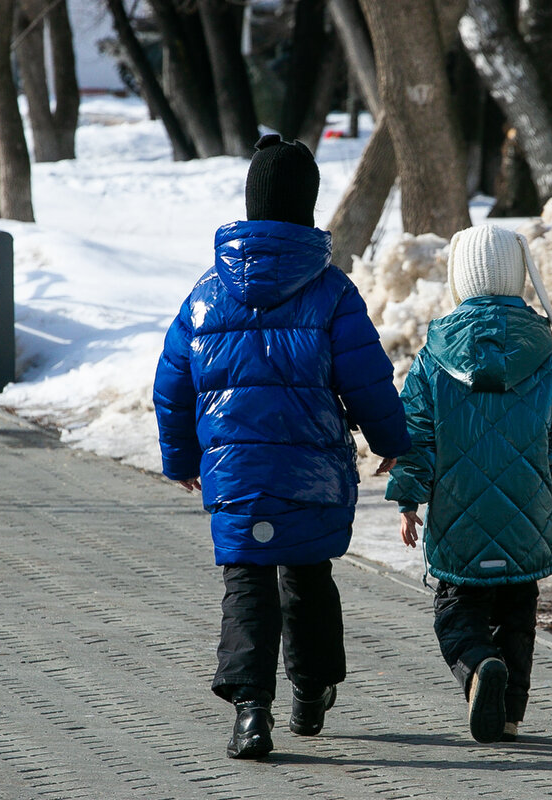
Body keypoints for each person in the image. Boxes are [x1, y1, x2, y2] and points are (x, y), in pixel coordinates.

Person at [152, 133, 411, 760]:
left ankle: (250, 713)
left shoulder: (207, 293)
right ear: (307, 207)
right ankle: (311, 691)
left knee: (246, 582)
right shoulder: (332, 292)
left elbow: (171, 381)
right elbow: (366, 377)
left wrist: (182, 457)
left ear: (250, 204)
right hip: (311, 469)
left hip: (235, 469)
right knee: (308, 576)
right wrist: (391, 440)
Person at [385, 223, 552, 744]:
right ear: (519, 277)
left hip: (459, 516)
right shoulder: (549, 356)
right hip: (529, 515)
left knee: (457, 612)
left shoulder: (434, 356)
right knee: (517, 617)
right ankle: (507, 715)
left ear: (461, 277)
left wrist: (409, 498)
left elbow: (415, 436)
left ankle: (480, 666)